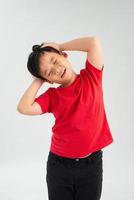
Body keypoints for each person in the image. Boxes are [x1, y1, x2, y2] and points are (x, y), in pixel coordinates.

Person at [17, 37, 114, 200]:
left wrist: (60, 45)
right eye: (49, 73)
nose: (55, 69)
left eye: (54, 60)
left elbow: (93, 43)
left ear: (64, 55)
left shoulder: (91, 77)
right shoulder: (52, 97)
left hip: (91, 165)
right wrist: (39, 80)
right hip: (59, 167)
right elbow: (24, 107)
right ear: (49, 81)